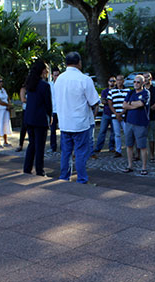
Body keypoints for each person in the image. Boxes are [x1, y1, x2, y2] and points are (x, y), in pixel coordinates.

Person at [54, 52, 100, 184]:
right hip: (80, 122)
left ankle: (64, 177)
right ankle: (81, 179)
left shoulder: (59, 79)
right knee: (80, 152)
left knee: (66, 153)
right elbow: (94, 101)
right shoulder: (84, 79)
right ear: (79, 62)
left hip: (64, 122)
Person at [23, 60, 52, 177]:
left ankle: (27, 168)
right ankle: (40, 170)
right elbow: (48, 103)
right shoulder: (45, 86)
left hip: (29, 117)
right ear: (43, 71)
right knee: (40, 146)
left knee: (32, 144)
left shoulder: (30, 84)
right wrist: (50, 115)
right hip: (40, 118)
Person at [122, 75, 150, 175]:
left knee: (142, 146)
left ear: (143, 83)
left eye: (138, 82)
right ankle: (130, 165)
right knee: (129, 145)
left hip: (141, 123)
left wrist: (130, 104)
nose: (136, 84)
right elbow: (124, 105)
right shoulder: (131, 92)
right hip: (129, 122)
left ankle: (144, 167)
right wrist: (134, 104)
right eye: (134, 82)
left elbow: (141, 104)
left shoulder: (146, 92)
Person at [94, 76, 116, 154]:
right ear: (108, 82)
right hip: (106, 113)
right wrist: (111, 101)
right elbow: (103, 101)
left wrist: (109, 101)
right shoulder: (104, 91)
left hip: (114, 114)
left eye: (113, 81)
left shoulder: (116, 91)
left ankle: (112, 147)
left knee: (113, 132)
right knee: (102, 131)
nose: (112, 82)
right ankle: (98, 147)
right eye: (111, 81)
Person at [107, 75, 128, 158]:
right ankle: (118, 150)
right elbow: (110, 103)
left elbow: (128, 103)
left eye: (120, 80)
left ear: (123, 81)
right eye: (117, 80)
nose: (119, 82)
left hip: (125, 115)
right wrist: (116, 114)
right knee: (117, 134)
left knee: (127, 134)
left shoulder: (128, 91)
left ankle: (129, 150)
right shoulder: (112, 91)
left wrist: (122, 113)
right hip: (115, 116)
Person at [144, 72, 155, 163]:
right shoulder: (140, 90)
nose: (146, 79)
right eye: (145, 77)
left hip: (152, 117)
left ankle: (152, 156)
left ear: (151, 79)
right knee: (140, 137)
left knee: (152, 138)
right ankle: (138, 154)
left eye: (148, 77)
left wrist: (148, 110)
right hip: (141, 118)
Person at [48, 67, 60, 152]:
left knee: (63, 129)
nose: (56, 77)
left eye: (58, 75)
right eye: (55, 75)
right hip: (53, 110)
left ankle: (64, 146)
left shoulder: (62, 84)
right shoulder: (49, 85)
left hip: (61, 110)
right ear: (52, 75)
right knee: (52, 130)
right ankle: (53, 147)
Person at [15, 86, 28, 152]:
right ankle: (20, 144)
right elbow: (23, 100)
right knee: (24, 128)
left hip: (34, 110)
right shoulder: (24, 89)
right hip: (26, 109)